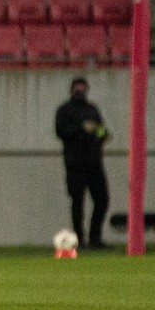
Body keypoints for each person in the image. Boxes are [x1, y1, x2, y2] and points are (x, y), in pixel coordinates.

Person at [55, 77, 110, 249]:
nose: (80, 91)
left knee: (102, 199)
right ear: (72, 90)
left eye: (83, 88)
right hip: (75, 163)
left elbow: (101, 129)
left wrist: (102, 134)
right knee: (77, 201)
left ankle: (95, 237)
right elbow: (61, 132)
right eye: (77, 88)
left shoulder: (92, 109)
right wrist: (81, 128)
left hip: (94, 161)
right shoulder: (64, 110)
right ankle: (78, 239)